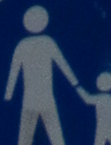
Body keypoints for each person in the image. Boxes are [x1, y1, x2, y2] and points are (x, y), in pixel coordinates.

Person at [5, 9, 82, 145]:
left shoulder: (22, 45)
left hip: (30, 100)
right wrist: (76, 84)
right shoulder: (48, 42)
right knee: (56, 138)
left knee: (24, 139)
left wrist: (8, 95)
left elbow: (13, 72)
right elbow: (63, 65)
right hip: (46, 99)